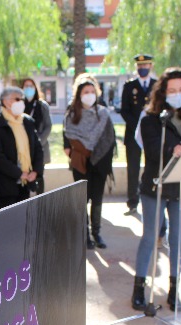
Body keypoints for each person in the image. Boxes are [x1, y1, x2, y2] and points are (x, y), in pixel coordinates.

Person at [131, 68, 181, 313]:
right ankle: (140, 288)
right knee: (150, 237)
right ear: (163, 92)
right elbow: (151, 149)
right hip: (155, 186)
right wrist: (173, 148)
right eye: (171, 90)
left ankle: (174, 291)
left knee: (176, 239)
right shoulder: (151, 118)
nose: (176, 94)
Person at [63, 73, 116, 250]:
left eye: (92, 91)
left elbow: (109, 139)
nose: (90, 94)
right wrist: (76, 152)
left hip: (99, 162)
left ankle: (97, 233)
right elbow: (68, 136)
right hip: (80, 162)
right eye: (86, 91)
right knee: (82, 199)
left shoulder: (103, 113)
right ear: (79, 94)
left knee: (97, 198)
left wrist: (99, 157)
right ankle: (84, 235)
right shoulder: (71, 114)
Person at [0, 87, 43, 208]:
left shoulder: (27, 122)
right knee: (8, 222)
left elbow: (37, 148)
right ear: (6, 102)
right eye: (17, 99)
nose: (21, 102)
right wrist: (18, 173)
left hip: (26, 182)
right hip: (6, 184)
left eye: (22, 99)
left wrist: (36, 171)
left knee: (23, 220)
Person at [120, 54, 156, 217]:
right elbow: (125, 110)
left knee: (152, 167)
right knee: (133, 169)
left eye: (146, 65)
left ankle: (151, 198)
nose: (142, 68)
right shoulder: (130, 86)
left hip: (151, 135)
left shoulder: (156, 85)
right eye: (140, 66)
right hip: (133, 134)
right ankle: (132, 201)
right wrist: (138, 126)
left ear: (150, 66)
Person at [21, 78, 52, 194]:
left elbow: (48, 126)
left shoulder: (42, 105)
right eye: (26, 86)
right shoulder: (20, 104)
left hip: (40, 147)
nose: (29, 89)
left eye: (31, 86)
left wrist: (38, 142)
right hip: (23, 148)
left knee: (38, 176)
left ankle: (40, 204)